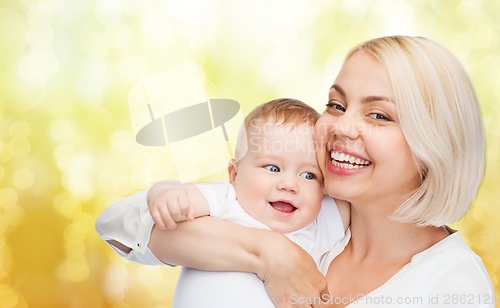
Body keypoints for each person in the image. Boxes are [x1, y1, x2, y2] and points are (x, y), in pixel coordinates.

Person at [96, 36, 495, 308]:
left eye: (378, 115)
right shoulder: (302, 206)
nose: (341, 126)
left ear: (436, 142)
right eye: (336, 105)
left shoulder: (454, 287)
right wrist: (269, 253)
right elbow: (123, 225)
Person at [96, 98, 350, 307]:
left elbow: (362, 200)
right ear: (234, 174)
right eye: (273, 168)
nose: (289, 184)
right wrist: (163, 191)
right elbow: (174, 200)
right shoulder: (226, 200)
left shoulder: (316, 226)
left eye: (309, 175)